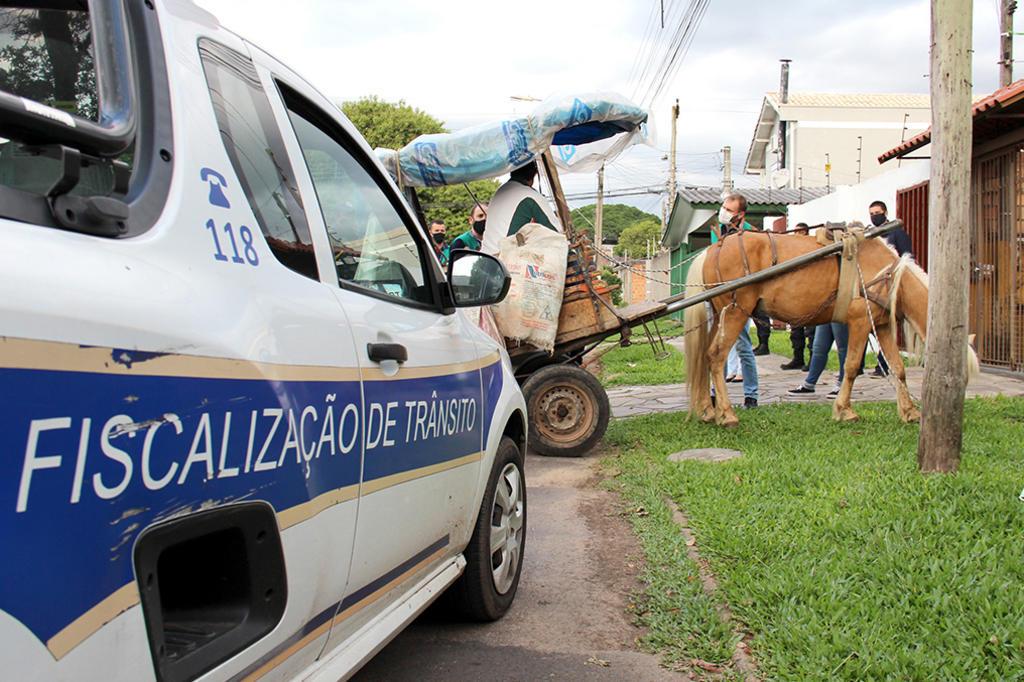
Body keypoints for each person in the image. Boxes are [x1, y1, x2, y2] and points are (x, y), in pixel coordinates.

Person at [711, 192, 759, 408]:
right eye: (723, 207)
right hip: (716, 294)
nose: (724, 212)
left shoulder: (751, 234)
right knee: (714, 344)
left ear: (740, 214)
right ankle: (713, 391)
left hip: (741, 297)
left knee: (743, 345)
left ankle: (751, 394)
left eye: (729, 210)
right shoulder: (717, 231)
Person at [866, 200, 912, 377]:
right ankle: (862, 364)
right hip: (873, 285)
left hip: (891, 283)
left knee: (888, 324)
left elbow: (907, 257)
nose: (874, 216)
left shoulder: (895, 233)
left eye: (877, 212)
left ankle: (883, 365)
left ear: (885, 212)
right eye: (871, 213)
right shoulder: (871, 234)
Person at [480, 161, 561, 255]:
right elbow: (556, 234)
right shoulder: (530, 195)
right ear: (535, 173)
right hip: (506, 261)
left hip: (487, 258)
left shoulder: (499, 192)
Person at [781, 222, 815, 370]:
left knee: (811, 330)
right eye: (795, 232)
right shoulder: (791, 249)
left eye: (800, 232)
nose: (797, 235)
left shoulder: (812, 247)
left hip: (810, 291)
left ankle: (813, 360)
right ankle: (798, 357)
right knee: (796, 328)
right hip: (796, 292)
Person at [787, 321, 848, 397]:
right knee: (818, 348)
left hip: (840, 311)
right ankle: (809, 384)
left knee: (843, 348)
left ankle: (843, 385)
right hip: (825, 313)